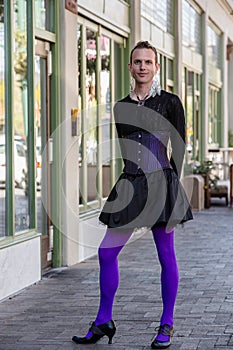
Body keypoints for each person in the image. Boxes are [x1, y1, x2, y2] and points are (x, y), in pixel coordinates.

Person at [72, 41, 193, 349]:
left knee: (166, 256)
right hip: (130, 185)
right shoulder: (120, 106)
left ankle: (167, 323)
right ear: (129, 67)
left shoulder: (170, 102)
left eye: (148, 62)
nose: (142, 66)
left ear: (156, 67)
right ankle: (103, 321)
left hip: (161, 185)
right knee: (106, 252)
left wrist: (170, 186)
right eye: (137, 61)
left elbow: (178, 146)